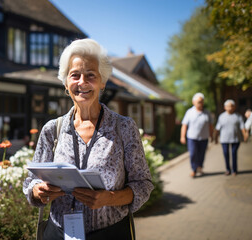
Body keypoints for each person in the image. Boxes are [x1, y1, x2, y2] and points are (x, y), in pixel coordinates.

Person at [23, 39, 153, 240]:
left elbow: (143, 185)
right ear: (66, 83)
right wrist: (38, 191)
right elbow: (31, 182)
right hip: (58, 233)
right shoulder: (52, 130)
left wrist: (109, 199)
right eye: (75, 75)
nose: (82, 82)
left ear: (102, 82)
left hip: (110, 233)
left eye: (90, 75)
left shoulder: (123, 127)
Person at [180, 93, 214, 178]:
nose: (200, 103)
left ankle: (200, 167)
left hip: (204, 137)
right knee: (193, 154)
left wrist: (212, 135)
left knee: (202, 154)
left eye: (202, 101)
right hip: (192, 137)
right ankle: (194, 169)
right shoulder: (189, 112)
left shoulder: (207, 112)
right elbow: (184, 125)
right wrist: (182, 136)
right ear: (193, 102)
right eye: (199, 101)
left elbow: (210, 125)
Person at [215, 100, 247, 176]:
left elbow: (242, 127)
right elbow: (217, 128)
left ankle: (234, 170)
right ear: (225, 107)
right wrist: (215, 138)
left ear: (234, 107)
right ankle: (228, 169)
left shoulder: (238, 116)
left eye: (232, 106)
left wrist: (245, 135)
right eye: (228, 106)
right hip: (224, 139)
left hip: (235, 139)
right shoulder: (221, 116)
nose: (230, 108)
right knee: (226, 153)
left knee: (234, 153)